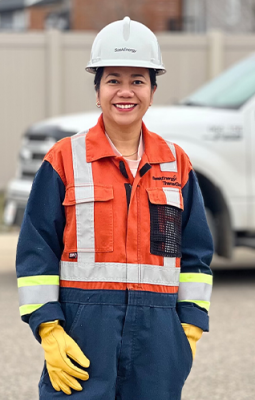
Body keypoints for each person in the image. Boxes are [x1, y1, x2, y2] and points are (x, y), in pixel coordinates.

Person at [16, 17, 213, 399]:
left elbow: (196, 257)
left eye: (137, 80)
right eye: (113, 80)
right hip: (83, 338)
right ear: (97, 90)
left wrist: (187, 331)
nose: (125, 92)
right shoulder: (63, 160)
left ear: (153, 91)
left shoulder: (176, 164)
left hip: (158, 345)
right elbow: (36, 251)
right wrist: (49, 330)